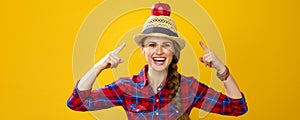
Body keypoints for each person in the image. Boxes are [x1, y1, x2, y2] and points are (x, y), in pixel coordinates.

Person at [67, 3, 248, 120]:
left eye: (166, 45)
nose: (159, 51)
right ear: (143, 49)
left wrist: (221, 69)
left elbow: (236, 107)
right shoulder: (126, 87)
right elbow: (77, 102)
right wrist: (99, 66)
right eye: (152, 45)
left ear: (174, 51)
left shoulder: (188, 87)